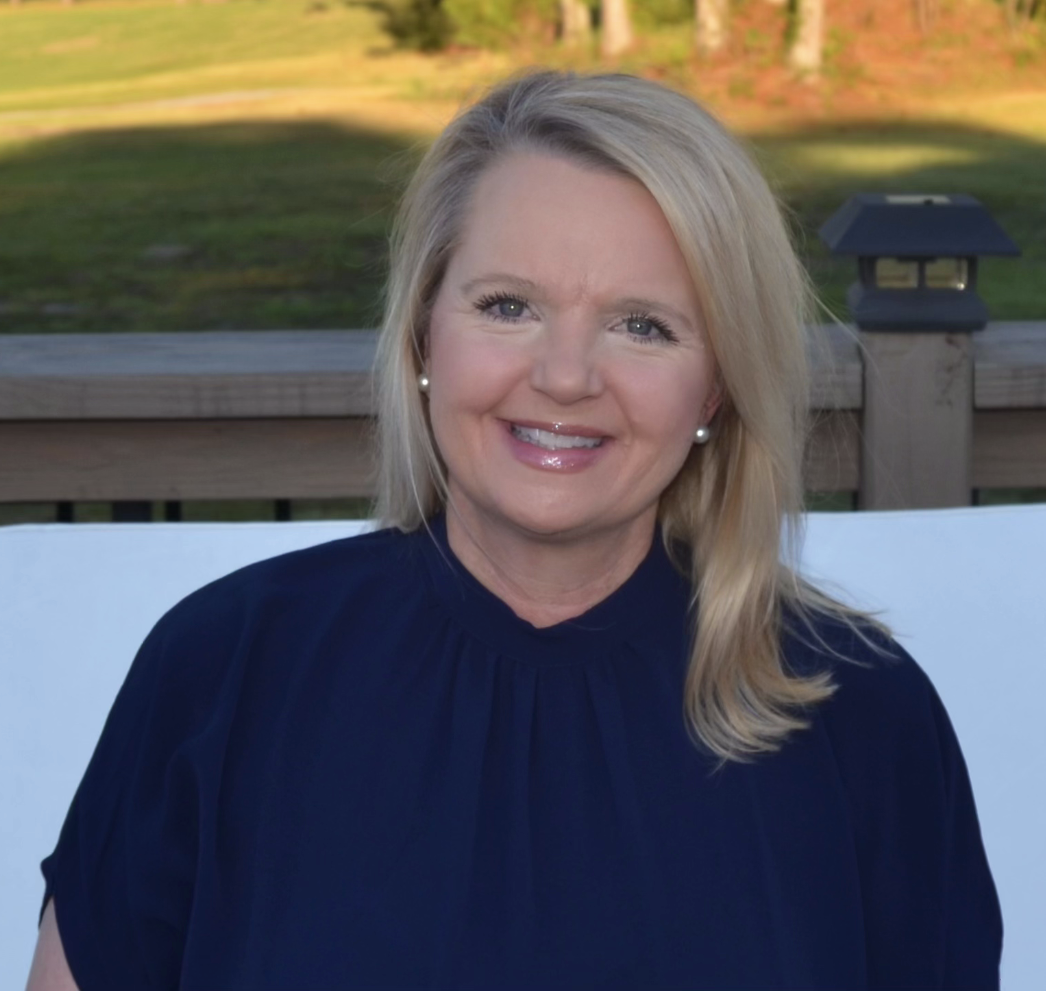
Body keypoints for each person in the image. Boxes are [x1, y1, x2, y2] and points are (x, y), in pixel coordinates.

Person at [28, 70, 1001, 990]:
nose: (565, 376)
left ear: (715, 387)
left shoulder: (860, 715)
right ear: (424, 335)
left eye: (642, 325)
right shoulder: (224, 669)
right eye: (507, 306)